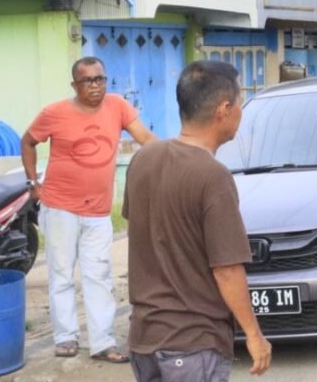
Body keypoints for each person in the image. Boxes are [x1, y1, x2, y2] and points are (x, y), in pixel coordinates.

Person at [124, 61, 271, 380]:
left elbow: (142, 233)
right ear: (224, 109)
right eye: (239, 104)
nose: (240, 113)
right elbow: (227, 269)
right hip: (192, 343)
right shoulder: (212, 175)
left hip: (144, 340)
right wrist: (254, 335)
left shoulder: (142, 160)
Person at [21, 57, 156, 363]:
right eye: (88, 81)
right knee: (62, 273)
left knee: (99, 275)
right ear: (75, 85)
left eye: (100, 79)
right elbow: (28, 141)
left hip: (98, 211)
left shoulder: (117, 106)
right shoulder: (55, 113)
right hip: (60, 207)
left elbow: (145, 138)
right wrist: (33, 183)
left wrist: (176, 156)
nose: (96, 86)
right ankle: (65, 337)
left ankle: (103, 342)